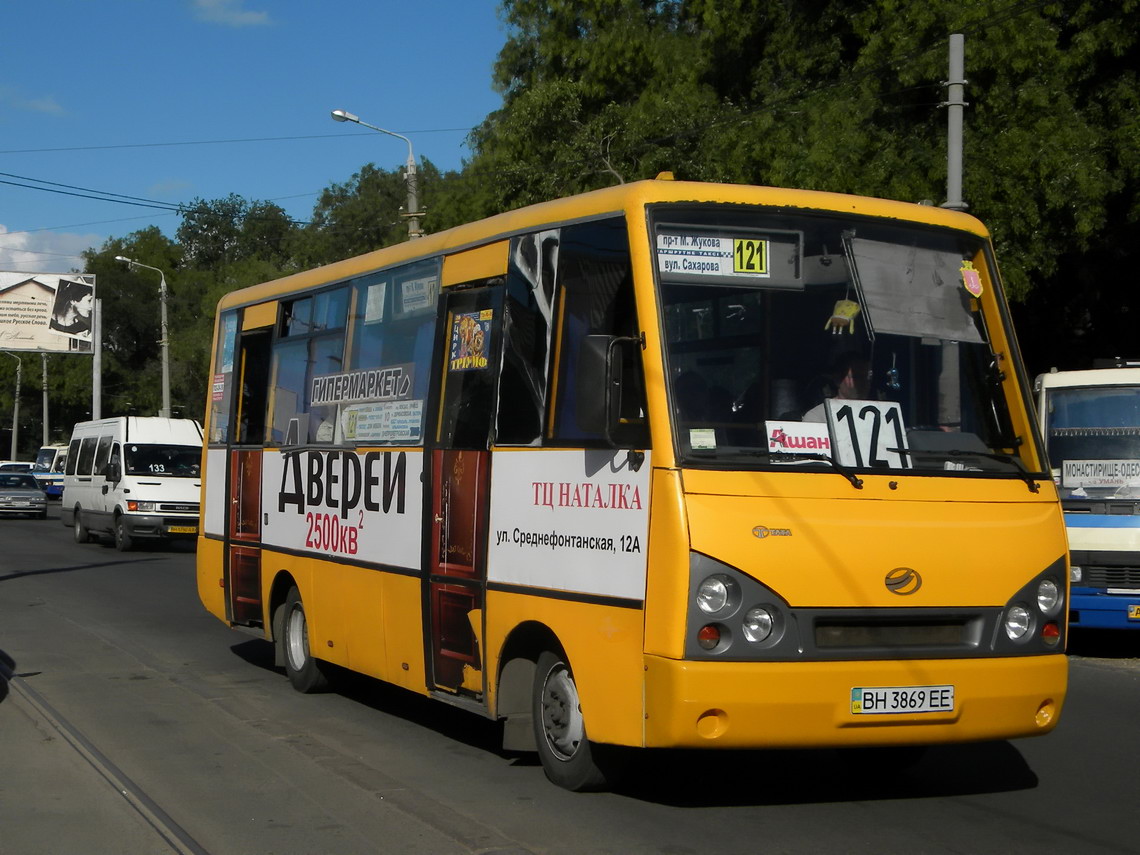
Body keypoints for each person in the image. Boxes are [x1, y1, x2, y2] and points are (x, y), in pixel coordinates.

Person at [802, 351, 872, 422]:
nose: (863, 382)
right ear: (837, 379)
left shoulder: (877, 414)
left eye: (866, 377)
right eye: (856, 377)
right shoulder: (818, 416)